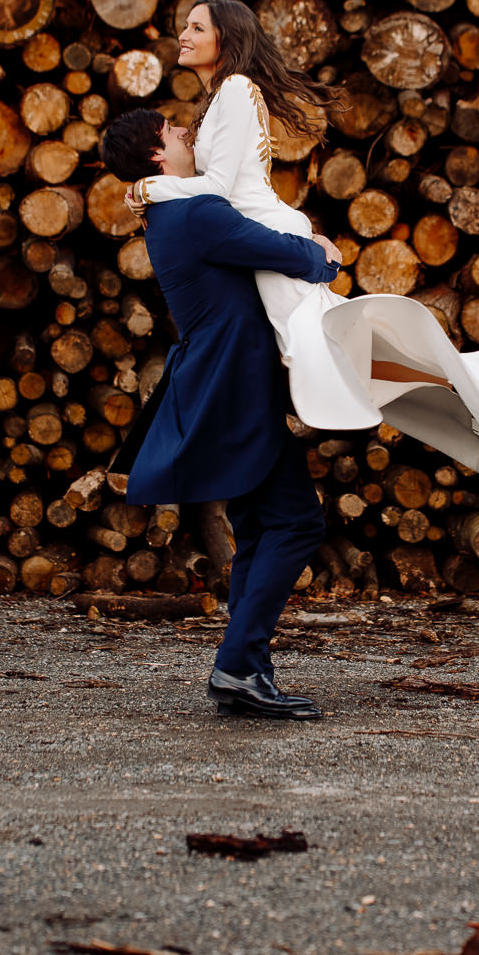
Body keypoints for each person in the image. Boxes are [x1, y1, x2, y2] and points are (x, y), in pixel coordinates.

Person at [103, 0, 479, 490]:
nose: (185, 36)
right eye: (186, 27)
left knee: (329, 348)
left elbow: (217, 188)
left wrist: (154, 187)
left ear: (226, 38)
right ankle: (470, 400)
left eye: (197, 28)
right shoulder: (217, 99)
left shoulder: (237, 89)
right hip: (258, 235)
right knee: (334, 349)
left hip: (267, 235)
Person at [106, 176, 343, 720]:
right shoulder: (198, 213)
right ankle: (238, 665)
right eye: (173, 131)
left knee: (261, 526)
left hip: (226, 385)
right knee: (298, 522)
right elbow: (279, 251)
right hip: (234, 390)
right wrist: (323, 255)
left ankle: (244, 670)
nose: (187, 132)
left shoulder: (169, 211)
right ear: (155, 153)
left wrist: (146, 185)